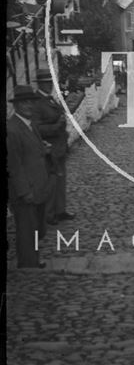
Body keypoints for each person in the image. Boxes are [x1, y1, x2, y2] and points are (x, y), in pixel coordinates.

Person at [7, 85, 52, 268]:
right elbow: (14, 166)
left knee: (36, 227)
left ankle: (31, 257)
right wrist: (24, 191)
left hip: (38, 185)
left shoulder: (30, 124)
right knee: (27, 228)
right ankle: (28, 262)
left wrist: (44, 148)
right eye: (24, 103)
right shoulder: (12, 130)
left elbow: (34, 149)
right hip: (26, 190)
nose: (29, 106)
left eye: (32, 102)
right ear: (16, 105)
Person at [32, 68, 75, 225]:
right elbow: (36, 128)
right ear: (40, 85)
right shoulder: (37, 103)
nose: (49, 85)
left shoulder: (51, 99)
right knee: (50, 182)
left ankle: (60, 210)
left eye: (50, 82)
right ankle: (49, 214)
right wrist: (56, 126)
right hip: (49, 148)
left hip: (60, 146)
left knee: (61, 180)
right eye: (46, 83)